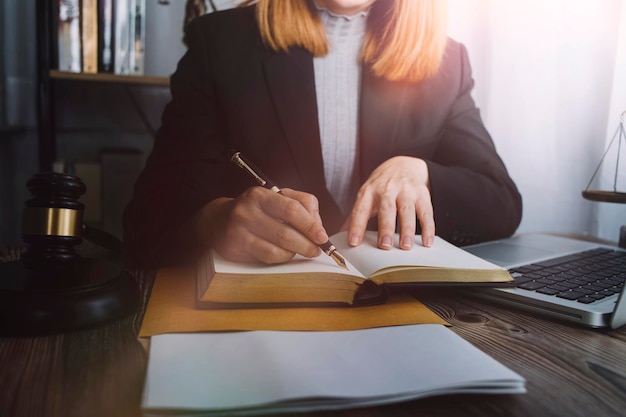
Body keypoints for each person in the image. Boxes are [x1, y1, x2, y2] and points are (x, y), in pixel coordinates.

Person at [123, 0, 523, 268]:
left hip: (411, 315)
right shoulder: (220, 42)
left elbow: (502, 202)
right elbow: (145, 221)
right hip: (262, 323)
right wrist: (213, 221)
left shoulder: (448, 60)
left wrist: (419, 171)